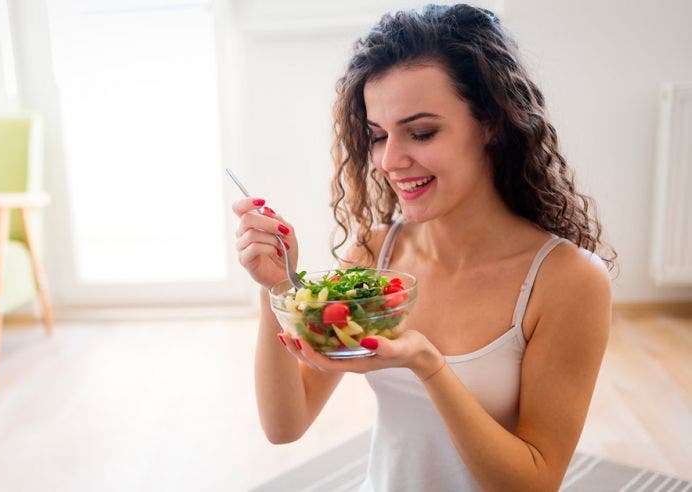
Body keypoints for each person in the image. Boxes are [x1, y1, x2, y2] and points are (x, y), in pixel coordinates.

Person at [231, 4, 617, 491]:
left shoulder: (567, 280)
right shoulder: (374, 254)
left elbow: (533, 483)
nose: (390, 160)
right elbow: (285, 426)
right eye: (377, 136)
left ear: (492, 123)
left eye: (421, 132)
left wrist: (426, 364)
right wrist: (280, 289)